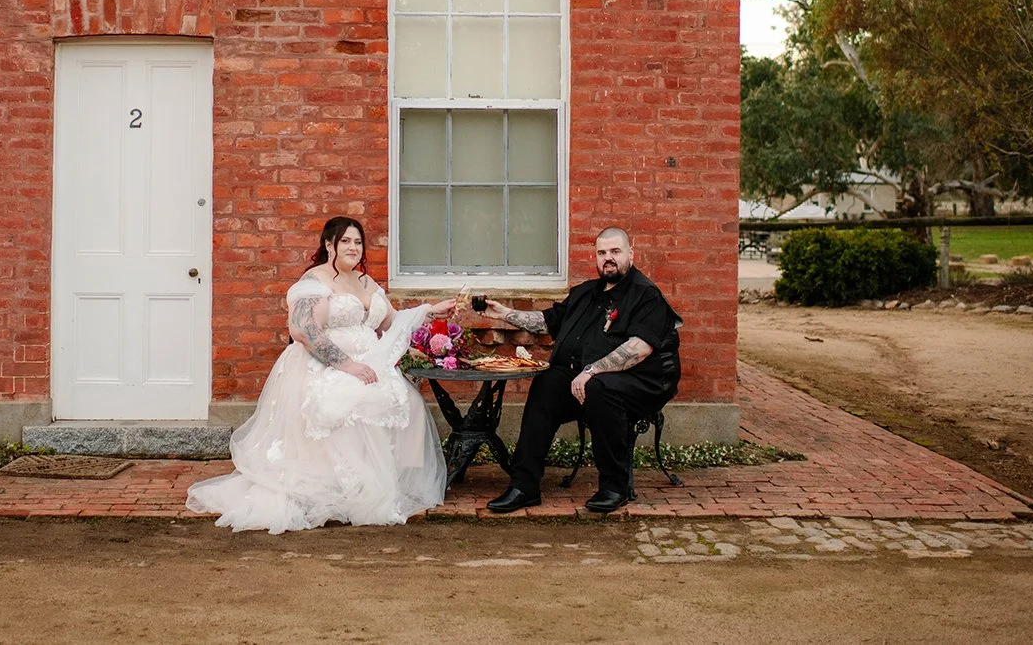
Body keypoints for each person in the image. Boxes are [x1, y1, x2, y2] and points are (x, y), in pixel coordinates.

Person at [186, 216, 461, 534]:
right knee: (343, 403)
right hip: (323, 366)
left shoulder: (365, 282)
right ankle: (341, 489)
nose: (353, 247)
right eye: (346, 241)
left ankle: (370, 486)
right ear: (329, 244)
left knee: (405, 401)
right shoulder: (314, 282)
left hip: (367, 365)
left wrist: (430, 311)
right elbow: (304, 330)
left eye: (358, 242)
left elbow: (391, 323)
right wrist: (347, 366)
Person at [481, 227, 681, 515]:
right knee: (547, 382)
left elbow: (640, 348)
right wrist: (504, 314)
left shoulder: (646, 296)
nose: (608, 258)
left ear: (631, 254)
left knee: (599, 389)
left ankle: (614, 486)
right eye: (602, 253)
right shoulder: (586, 293)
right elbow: (547, 321)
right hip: (584, 377)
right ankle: (524, 486)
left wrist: (592, 370)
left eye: (615, 251)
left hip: (642, 381)